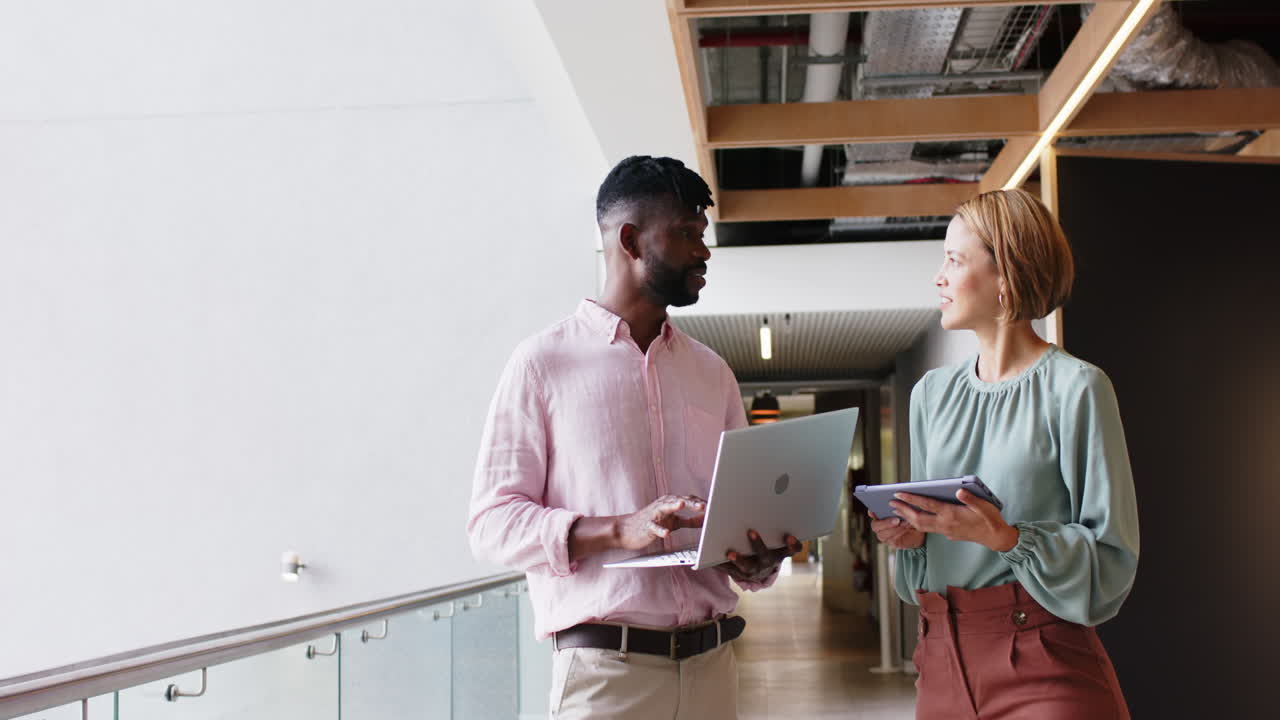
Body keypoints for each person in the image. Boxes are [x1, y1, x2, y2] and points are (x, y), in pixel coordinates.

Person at [468, 155, 801, 720]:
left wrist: (753, 560)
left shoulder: (711, 371)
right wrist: (620, 529)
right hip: (606, 679)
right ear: (630, 239)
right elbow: (491, 525)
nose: (704, 251)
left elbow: (733, 516)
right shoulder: (541, 365)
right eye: (687, 234)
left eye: (703, 234)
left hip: (713, 667)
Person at [871, 188, 1139, 719]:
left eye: (954, 259)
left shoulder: (1078, 388)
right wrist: (911, 536)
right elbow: (925, 546)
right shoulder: (930, 393)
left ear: (1006, 277)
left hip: (1043, 661)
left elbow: (1111, 559)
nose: (938, 276)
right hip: (941, 654)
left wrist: (1005, 537)